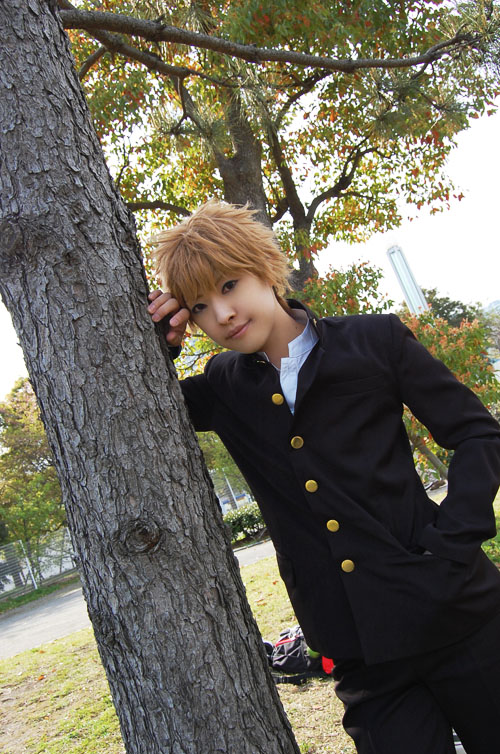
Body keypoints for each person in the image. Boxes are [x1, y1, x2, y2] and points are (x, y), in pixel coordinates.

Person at [147, 200, 500, 754]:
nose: (223, 314)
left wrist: (453, 541)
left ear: (264, 268)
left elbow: (478, 435)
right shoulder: (221, 383)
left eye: (229, 285)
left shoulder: (375, 340)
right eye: (199, 307)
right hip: (359, 651)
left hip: (460, 619)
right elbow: (145, 406)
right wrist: (159, 347)